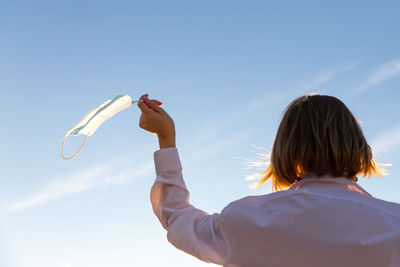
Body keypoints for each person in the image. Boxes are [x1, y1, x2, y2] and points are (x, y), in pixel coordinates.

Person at [137, 93, 400, 267]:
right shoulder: (394, 224)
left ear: (285, 148)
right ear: (359, 145)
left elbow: (177, 217)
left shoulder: (247, 218)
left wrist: (166, 139)